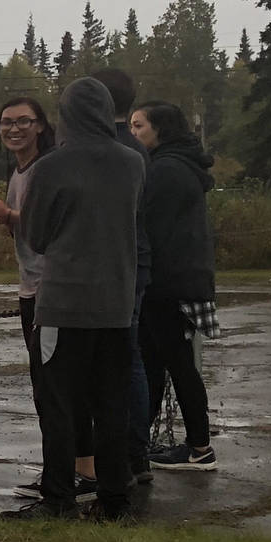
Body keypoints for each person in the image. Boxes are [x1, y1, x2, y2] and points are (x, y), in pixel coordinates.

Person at [6, 77, 145, 520]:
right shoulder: (132, 162)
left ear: (63, 117)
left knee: (59, 405)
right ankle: (114, 499)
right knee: (110, 405)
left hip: (63, 303)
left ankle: (59, 497)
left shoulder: (51, 167)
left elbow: (37, 235)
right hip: (117, 303)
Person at [0, 96, 96, 498]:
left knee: (55, 389)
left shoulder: (47, 168)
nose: (13, 129)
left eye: (23, 121)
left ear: (42, 126)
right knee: (52, 387)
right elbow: (28, 232)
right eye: (6, 122)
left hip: (53, 292)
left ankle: (68, 479)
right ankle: (77, 472)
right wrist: (4, 220)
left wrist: (10, 216)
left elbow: (56, 224)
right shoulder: (19, 172)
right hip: (31, 289)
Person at [129, 101, 220, 470]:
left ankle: (199, 447)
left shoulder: (164, 170)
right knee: (156, 364)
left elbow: (151, 228)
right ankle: (139, 441)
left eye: (139, 126)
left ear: (160, 129)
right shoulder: (179, 165)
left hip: (167, 282)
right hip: (176, 279)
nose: (133, 133)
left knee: (176, 366)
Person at [94, 68, 155, 486]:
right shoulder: (137, 149)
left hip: (111, 265)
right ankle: (136, 455)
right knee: (130, 359)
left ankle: (119, 458)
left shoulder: (102, 150)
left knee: (113, 361)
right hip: (138, 260)